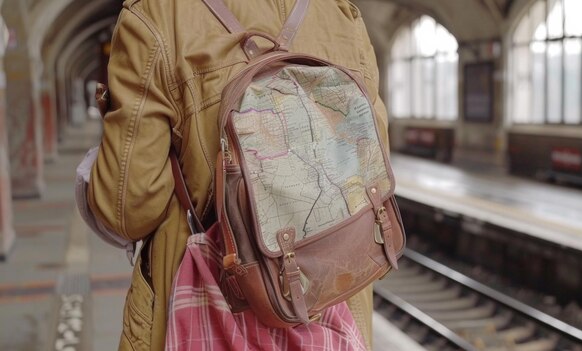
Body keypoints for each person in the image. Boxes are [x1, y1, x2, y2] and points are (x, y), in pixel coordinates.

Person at [87, 0, 390, 349]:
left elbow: (127, 210)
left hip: (210, 310)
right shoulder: (340, 16)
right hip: (331, 310)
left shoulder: (158, 16)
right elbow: (372, 170)